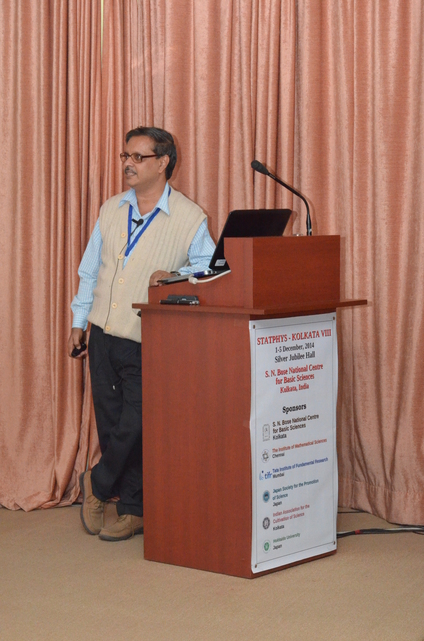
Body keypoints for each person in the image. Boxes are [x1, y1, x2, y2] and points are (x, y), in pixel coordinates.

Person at [68, 126, 215, 541]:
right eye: (125, 156)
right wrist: (79, 321)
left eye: (138, 157)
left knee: (137, 423)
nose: (128, 164)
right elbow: (89, 270)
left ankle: (97, 484)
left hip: (148, 337)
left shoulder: (190, 217)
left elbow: (209, 270)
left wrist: (177, 274)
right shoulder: (111, 209)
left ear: (163, 162)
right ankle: (133, 509)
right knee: (112, 421)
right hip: (103, 331)